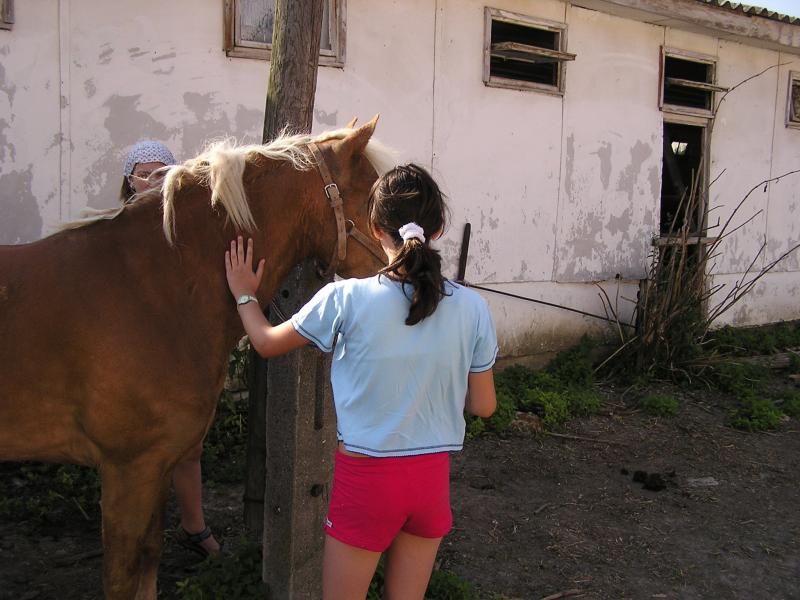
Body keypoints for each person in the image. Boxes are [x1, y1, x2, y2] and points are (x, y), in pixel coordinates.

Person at [224, 163, 498, 599]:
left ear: (374, 227)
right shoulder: (474, 308)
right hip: (430, 482)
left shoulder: (345, 298)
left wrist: (243, 291)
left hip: (368, 481)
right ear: (439, 229)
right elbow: (483, 406)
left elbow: (264, 342)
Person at [121, 140, 221, 557]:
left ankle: (193, 526)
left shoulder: (184, 232)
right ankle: (135, 531)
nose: (153, 182)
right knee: (131, 449)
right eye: (146, 174)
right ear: (129, 182)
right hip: (129, 356)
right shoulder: (114, 230)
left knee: (188, 445)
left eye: (164, 174)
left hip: (177, 354)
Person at [119, 140, 177, 205]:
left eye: (160, 174)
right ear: (131, 180)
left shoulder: (184, 213)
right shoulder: (123, 215)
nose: (152, 183)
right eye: (143, 176)